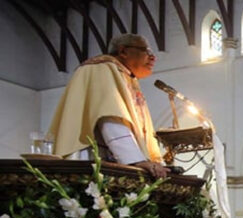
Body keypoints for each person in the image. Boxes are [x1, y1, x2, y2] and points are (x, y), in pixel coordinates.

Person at [48, 33, 168, 178]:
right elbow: (110, 117)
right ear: (123, 51)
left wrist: (155, 161)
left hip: (115, 161)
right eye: (146, 51)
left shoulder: (125, 76)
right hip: (94, 161)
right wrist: (136, 160)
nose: (152, 57)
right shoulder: (102, 68)